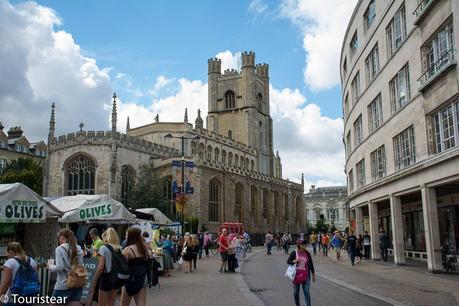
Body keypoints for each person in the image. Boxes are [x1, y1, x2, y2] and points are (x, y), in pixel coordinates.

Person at [48, 228, 84, 305]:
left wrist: (50, 266)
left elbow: (59, 267)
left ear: (62, 237)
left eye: (59, 238)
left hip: (63, 285)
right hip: (77, 284)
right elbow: (80, 265)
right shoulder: (78, 248)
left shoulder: (59, 249)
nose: (58, 240)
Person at [91, 228, 123, 306]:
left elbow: (101, 267)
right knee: (111, 303)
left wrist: (94, 281)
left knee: (102, 303)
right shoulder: (120, 248)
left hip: (106, 278)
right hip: (116, 278)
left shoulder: (104, 248)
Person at [121, 227, 148, 306]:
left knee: (124, 303)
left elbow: (123, 266)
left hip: (131, 278)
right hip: (142, 276)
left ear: (131, 236)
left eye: (126, 234)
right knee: (141, 302)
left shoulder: (127, 249)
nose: (125, 236)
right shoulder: (143, 248)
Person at [287, 239, 316, 306]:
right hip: (296, 276)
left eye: (305, 244)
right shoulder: (294, 253)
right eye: (303, 244)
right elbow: (288, 261)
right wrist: (295, 261)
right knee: (296, 292)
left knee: (306, 292)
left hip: (306, 276)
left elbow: (311, 264)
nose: (304, 245)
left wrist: (313, 274)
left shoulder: (307, 253)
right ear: (299, 245)